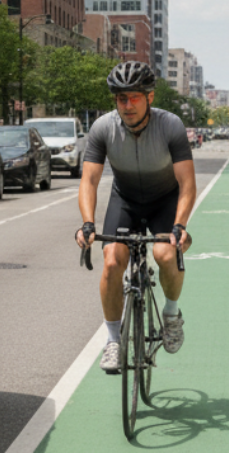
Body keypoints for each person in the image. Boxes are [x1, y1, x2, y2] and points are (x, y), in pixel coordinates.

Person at [74, 61, 197, 373]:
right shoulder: (103, 127)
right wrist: (87, 224)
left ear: (150, 97)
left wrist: (180, 225)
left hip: (164, 200)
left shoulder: (170, 126)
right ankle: (113, 341)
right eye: (121, 98)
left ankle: (171, 314)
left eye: (134, 98)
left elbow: (186, 183)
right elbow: (89, 180)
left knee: (166, 254)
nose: (127, 105)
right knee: (112, 260)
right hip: (126, 200)